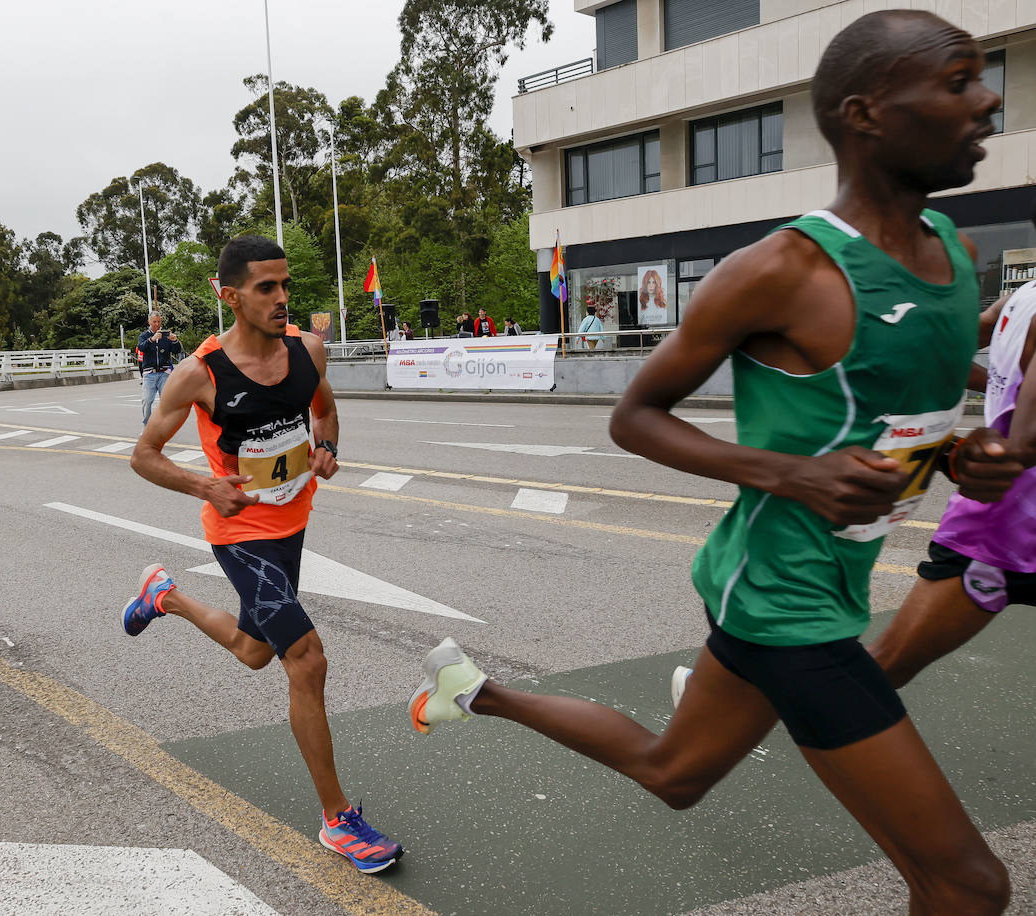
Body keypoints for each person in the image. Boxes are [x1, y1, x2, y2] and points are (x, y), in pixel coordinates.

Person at [408, 13, 1022, 913]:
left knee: (676, 771)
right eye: (959, 79)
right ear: (866, 114)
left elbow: (898, 413)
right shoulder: (782, 270)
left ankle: (474, 691)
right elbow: (636, 416)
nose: (988, 98)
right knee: (969, 887)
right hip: (780, 599)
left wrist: (960, 453)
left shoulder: (954, 254)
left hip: (826, 581)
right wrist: (789, 474)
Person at [124, 235, 402, 874]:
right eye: (265, 289)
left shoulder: (307, 351)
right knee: (305, 660)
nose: (282, 299)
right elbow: (143, 455)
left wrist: (328, 450)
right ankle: (338, 820)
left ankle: (162, 595)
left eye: (285, 285)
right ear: (231, 296)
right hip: (240, 536)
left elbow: (326, 413)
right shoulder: (202, 373)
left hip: (292, 525)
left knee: (254, 652)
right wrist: (203, 484)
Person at [867, 214, 1036, 687]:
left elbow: (934, 347)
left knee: (885, 666)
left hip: (999, 517)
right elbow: (1027, 441)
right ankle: (723, 702)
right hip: (1006, 531)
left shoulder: (1020, 298)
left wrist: (994, 389)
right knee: (884, 667)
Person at [137, 312, 183, 425]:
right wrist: (152, 339)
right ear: (149, 322)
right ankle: (147, 425)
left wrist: (174, 340)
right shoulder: (144, 336)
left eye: (159, 321)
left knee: (167, 401)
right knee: (147, 401)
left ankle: (164, 426)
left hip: (165, 373)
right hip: (149, 374)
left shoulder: (165, 336)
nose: (157, 324)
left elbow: (177, 350)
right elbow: (141, 347)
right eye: (154, 322)